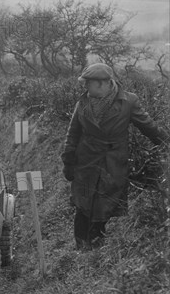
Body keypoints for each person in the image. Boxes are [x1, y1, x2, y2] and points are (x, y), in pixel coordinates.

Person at [61, 63, 168, 251]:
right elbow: (73, 133)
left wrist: (166, 142)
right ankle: (81, 248)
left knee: (104, 207)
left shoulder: (128, 102)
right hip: (86, 162)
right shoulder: (82, 103)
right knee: (82, 204)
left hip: (113, 163)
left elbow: (148, 127)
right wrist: (68, 161)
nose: (85, 87)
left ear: (103, 83)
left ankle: (95, 246)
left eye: (89, 83)